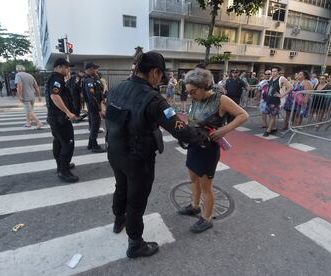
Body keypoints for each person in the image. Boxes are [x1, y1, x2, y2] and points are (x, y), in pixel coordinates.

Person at [106, 51, 210, 258]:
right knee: (136, 200)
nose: (160, 81)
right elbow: (178, 127)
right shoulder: (153, 99)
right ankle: (135, 243)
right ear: (155, 72)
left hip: (115, 150)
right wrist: (201, 136)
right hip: (138, 157)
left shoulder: (117, 88)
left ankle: (119, 219)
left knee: (121, 185)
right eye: (161, 76)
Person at [178, 68, 249, 233]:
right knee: (194, 179)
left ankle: (207, 218)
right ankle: (195, 206)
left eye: (193, 92)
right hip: (195, 145)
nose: (190, 96)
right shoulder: (197, 99)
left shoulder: (220, 99)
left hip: (208, 149)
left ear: (203, 86)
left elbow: (243, 115)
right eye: (188, 92)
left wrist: (224, 130)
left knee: (206, 186)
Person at [45, 58, 78, 183]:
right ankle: (64, 171)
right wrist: (68, 112)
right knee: (68, 144)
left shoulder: (54, 78)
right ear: (59, 67)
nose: (68, 70)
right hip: (60, 119)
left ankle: (61, 165)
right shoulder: (57, 79)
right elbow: (54, 96)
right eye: (66, 67)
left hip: (55, 118)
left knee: (58, 142)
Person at [83, 62, 106, 153]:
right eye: (94, 69)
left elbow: (99, 92)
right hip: (94, 107)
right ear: (89, 69)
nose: (96, 70)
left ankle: (90, 144)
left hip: (96, 105)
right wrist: (99, 110)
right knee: (95, 126)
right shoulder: (88, 81)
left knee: (94, 125)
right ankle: (94, 146)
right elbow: (92, 97)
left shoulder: (94, 78)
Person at [263, 66, 292, 136]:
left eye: (275, 71)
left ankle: (268, 131)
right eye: (272, 71)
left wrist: (282, 95)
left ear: (278, 72)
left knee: (273, 115)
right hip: (269, 99)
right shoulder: (271, 78)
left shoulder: (281, 78)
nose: (273, 72)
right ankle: (274, 128)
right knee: (270, 115)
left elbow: (291, 87)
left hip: (276, 100)